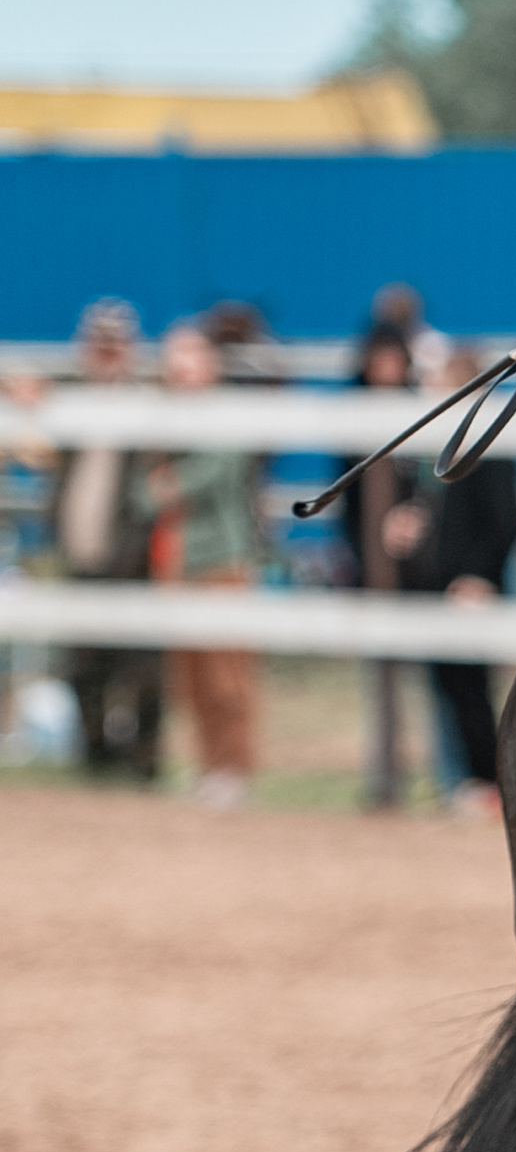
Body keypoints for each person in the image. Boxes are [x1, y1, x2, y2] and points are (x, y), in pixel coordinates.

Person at [383, 343, 516, 815]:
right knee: (444, 685)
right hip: (427, 581)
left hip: (468, 586)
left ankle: (489, 783)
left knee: (473, 690)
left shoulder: (489, 441)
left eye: (438, 378)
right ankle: (459, 782)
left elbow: (506, 519)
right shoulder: (425, 446)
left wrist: (479, 576)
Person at [43, 298, 163, 780]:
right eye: (99, 340)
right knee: (81, 664)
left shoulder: (149, 399)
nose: (107, 350)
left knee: (141, 665)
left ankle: (143, 759)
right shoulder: (69, 395)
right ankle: (94, 755)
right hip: (80, 545)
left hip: (133, 551)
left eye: (116, 341)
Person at [149, 320, 266, 804]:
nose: (182, 365)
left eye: (191, 354)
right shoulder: (160, 417)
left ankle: (235, 767)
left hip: (223, 558)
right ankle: (206, 765)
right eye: (175, 355)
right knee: (188, 674)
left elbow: (218, 469)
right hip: (175, 559)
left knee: (227, 671)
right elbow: (141, 487)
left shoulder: (228, 413)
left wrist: (168, 484)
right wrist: (162, 486)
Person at [341, 321, 420, 811]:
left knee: (435, 681)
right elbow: (345, 499)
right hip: (370, 568)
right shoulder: (353, 419)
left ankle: (446, 779)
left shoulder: (423, 410)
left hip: (417, 571)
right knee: (380, 684)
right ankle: (385, 777)